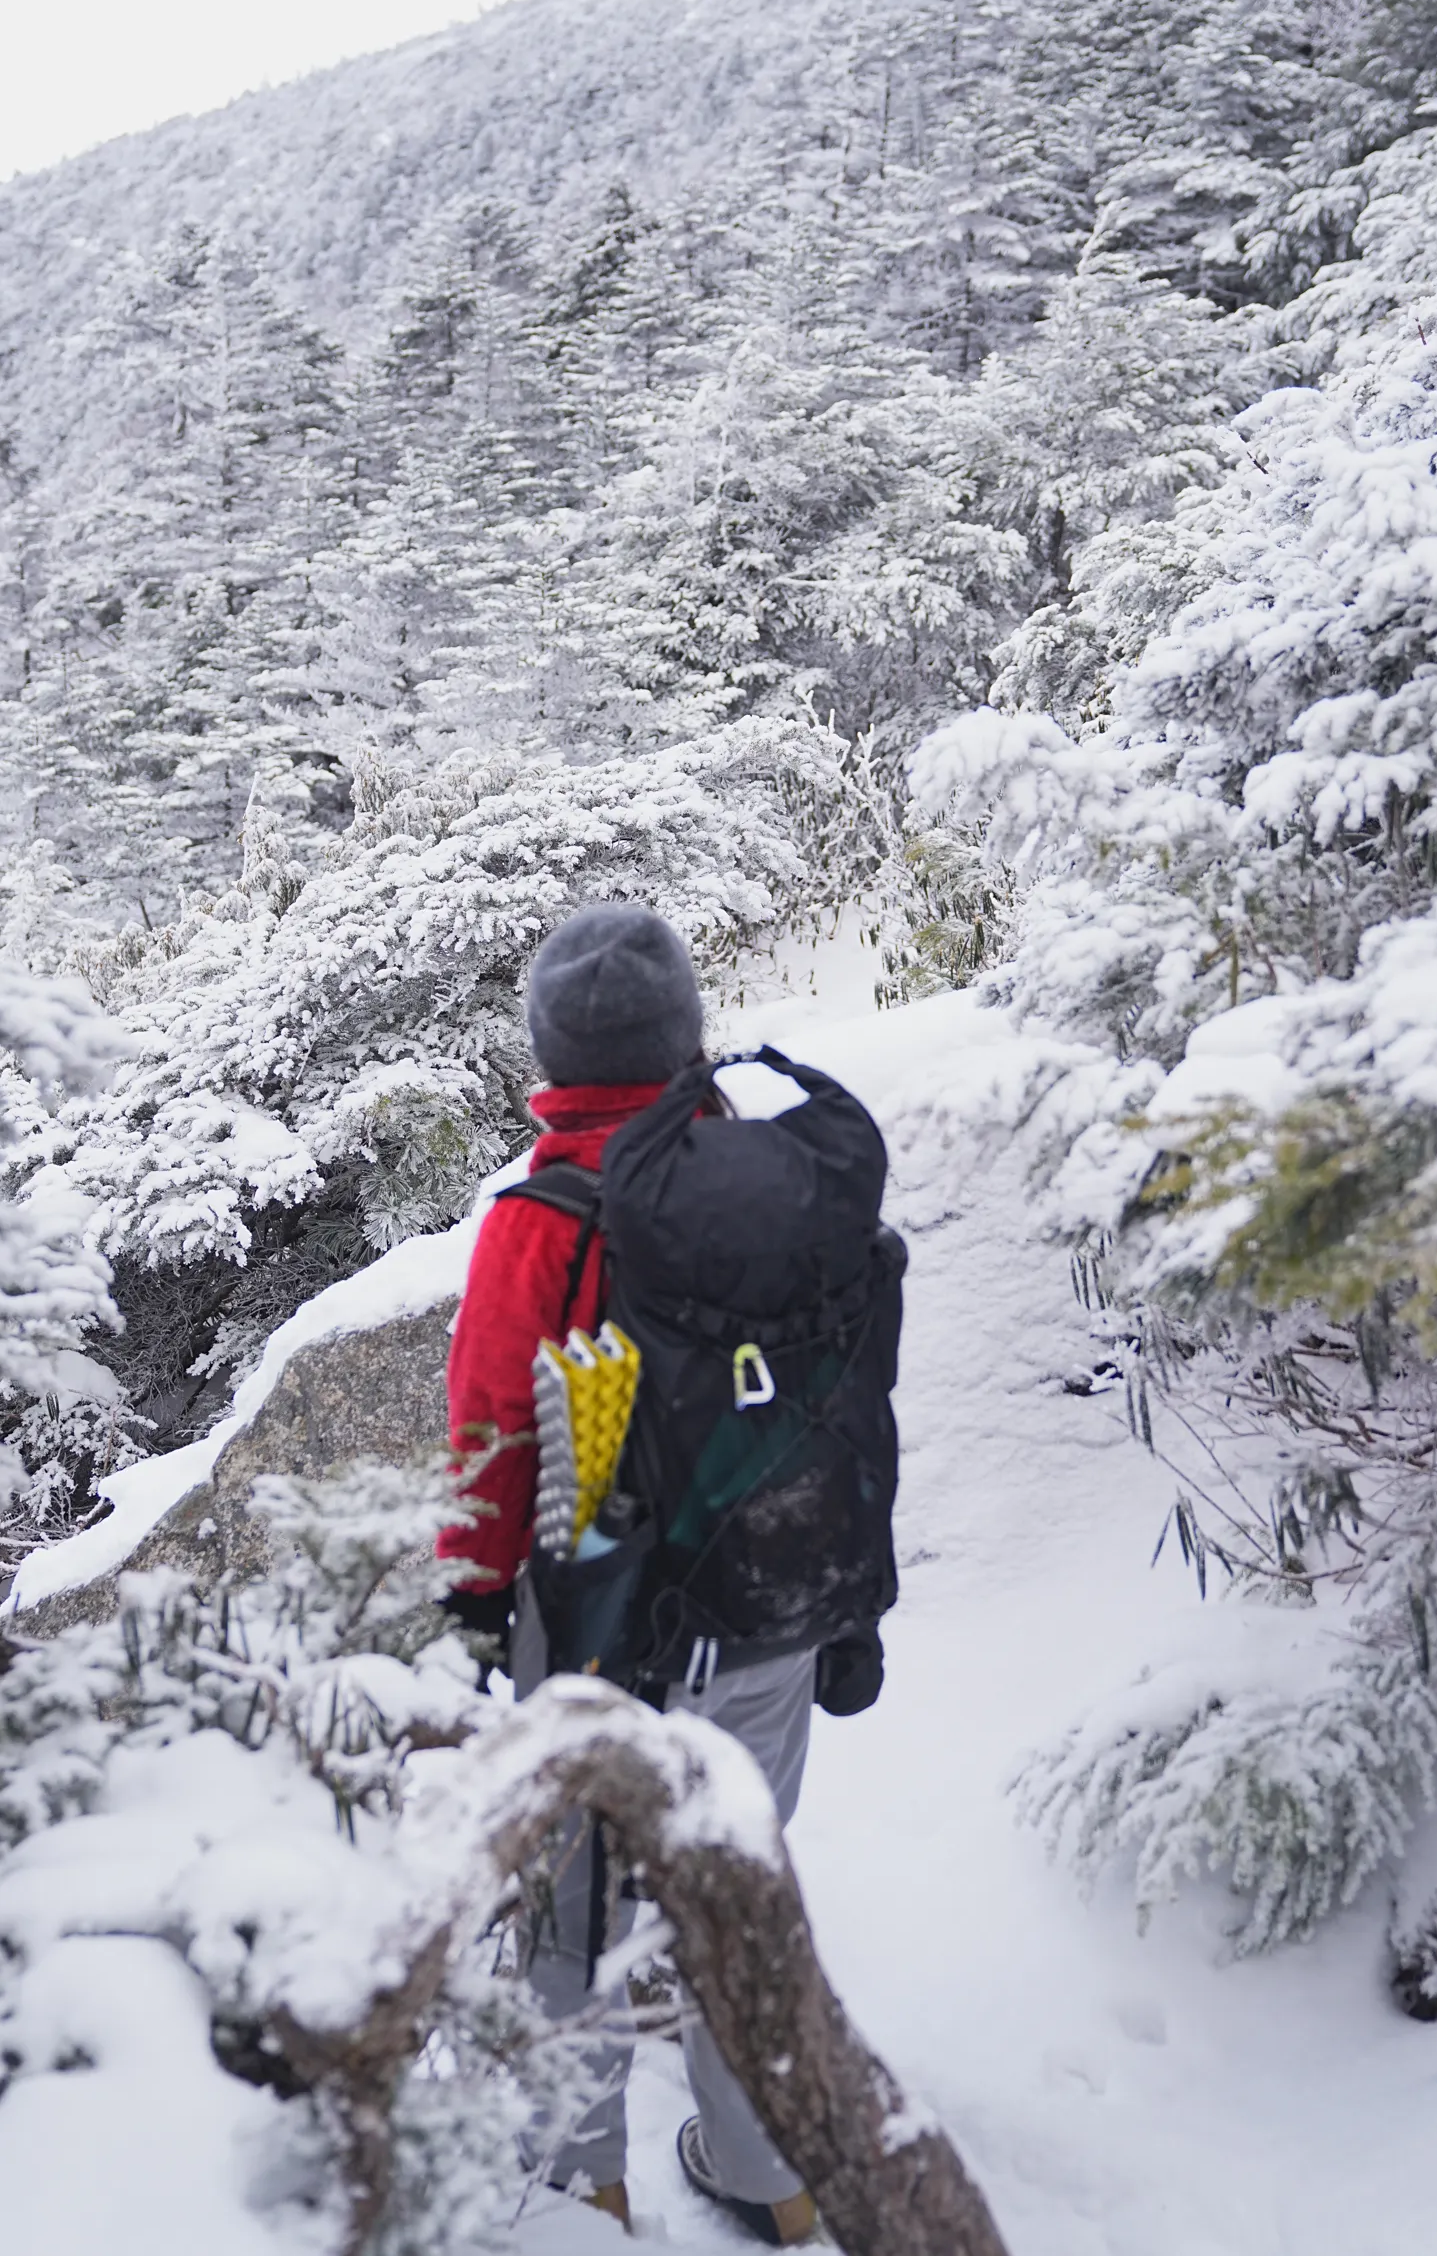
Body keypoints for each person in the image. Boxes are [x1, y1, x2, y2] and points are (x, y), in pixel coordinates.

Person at [439, 902, 891, 2246]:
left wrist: (469, 1602)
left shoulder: (542, 1215)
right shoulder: (775, 1186)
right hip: (770, 1607)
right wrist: (854, 1601)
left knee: (569, 1907)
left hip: (597, 1621)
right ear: (686, 1039)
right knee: (730, 1886)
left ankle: (580, 2184)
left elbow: (489, 1433)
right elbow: (851, 1395)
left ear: (550, 1058)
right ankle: (774, 2176)